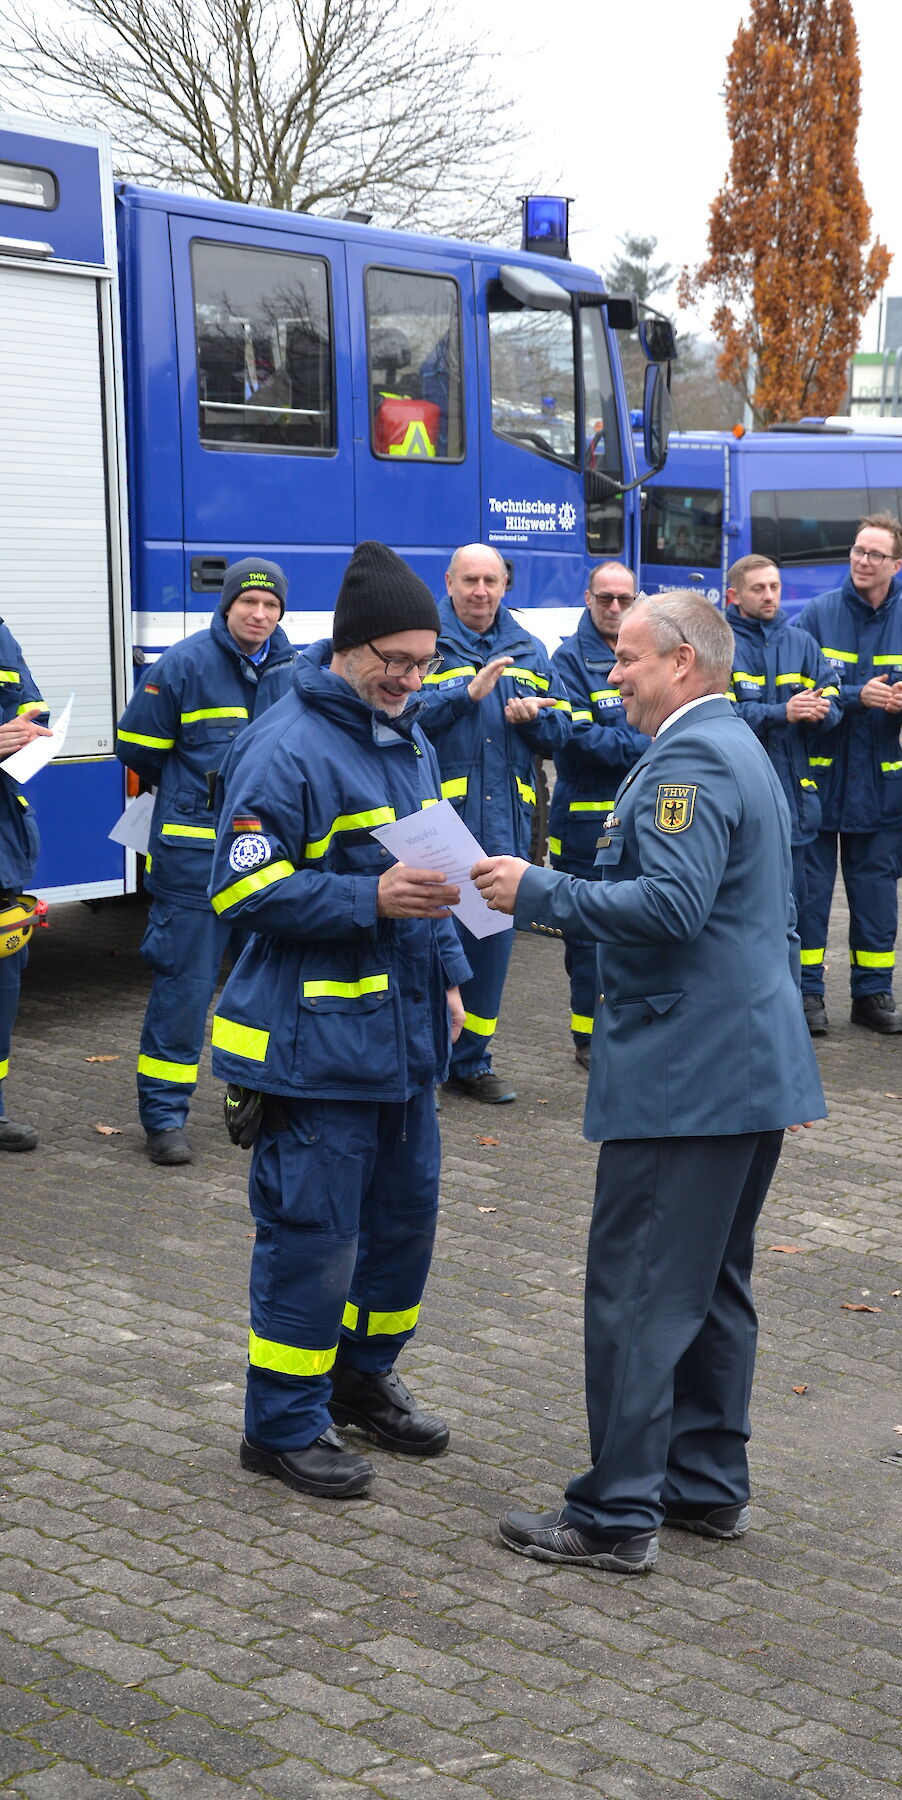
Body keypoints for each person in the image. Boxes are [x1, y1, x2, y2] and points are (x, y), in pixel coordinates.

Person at [471, 591, 826, 1573]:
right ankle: (705, 1488)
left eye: (627, 657)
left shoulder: (697, 755)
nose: (611, 673)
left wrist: (534, 890)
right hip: (734, 1068)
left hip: (689, 1078)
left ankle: (616, 1514)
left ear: (682, 663)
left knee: (638, 1293)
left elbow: (670, 907)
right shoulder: (731, 747)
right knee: (709, 1287)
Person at [209, 540, 470, 1499]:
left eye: (422, 662)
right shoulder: (284, 746)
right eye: (390, 661)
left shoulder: (408, 735)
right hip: (312, 1052)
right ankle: (279, 1425)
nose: (406, 679)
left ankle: (360, 1381)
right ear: (346, 647)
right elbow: (238, 893)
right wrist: (368, 902)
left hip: (401, 1043)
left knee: (402, 1226)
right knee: (313, 1240)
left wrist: (446, 974)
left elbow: (432, 872)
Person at [115, 559, 295, 1166]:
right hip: (193, 858)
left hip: (266, 860)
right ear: (227, 606)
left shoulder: (294, 670)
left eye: (271, 607)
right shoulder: (185, 663)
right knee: (183, 988)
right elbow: (137, 746)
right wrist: (198, 796)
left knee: (264, 986)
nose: (260, 615)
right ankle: (164, 1116)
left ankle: (257, 1097)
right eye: (249, 603)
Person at [419, 543, 571, 1102]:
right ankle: (428, 1063)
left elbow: (563, 732)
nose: (480, 591)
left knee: (490, 949)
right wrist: (466, 693)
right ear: (449, 582)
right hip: (439, 827)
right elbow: (400, 713)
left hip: (505, 823)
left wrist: (535, 721)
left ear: (505, 585)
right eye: (470, 581)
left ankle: (472, 1063)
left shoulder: (528, 647)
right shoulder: (426, 642)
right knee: (431, 946)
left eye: (491, 580)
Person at [795, 514, 902, 1035]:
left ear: (896, 564)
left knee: (877, 900)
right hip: (819, 781)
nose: (862, 560)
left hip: (879, 787)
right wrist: (857, 696)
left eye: (874, 555)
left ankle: (872, 996)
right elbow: (799, 686)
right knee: (808, 898)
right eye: (857, 551)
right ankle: (807, 996)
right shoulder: (817, 614)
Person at [548, 560, 648, 1068]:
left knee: (633, 928)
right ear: (588, 599)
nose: (614, 607)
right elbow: (578, 740)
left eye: (623, 599)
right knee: (586, 939)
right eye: (605, 598)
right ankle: (587, 1038)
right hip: (585, 825)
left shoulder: (644, 651)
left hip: (637, 824)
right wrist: (649, 741)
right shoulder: (568, 659)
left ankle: (623, 1027)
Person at [725, 553, 841, 934]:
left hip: (795, 803)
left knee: (799, 910)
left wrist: (822, 711)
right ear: (734, 596)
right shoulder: (720, 646)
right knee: (748, 912)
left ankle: (805, 992)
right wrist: (781, 713)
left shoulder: (801, 643)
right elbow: (718, 718)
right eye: (758, 588)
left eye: (774, 587)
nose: (770, 595)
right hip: (740, 798)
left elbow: (835, 699)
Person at [0, 621, 52, 1151]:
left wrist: (32, 729)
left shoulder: (0, 635)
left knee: (1, 1001)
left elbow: (33, 705)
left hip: (2, 856)